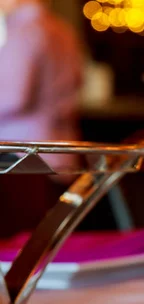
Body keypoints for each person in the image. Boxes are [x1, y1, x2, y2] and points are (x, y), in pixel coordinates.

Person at [0, 0, 83, 237]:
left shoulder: (24, 31)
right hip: (63, 153)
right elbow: (78, 83)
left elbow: (15, 97)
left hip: (22, 158)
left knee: (21, 247)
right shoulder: (63, 29)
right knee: (49, 244)